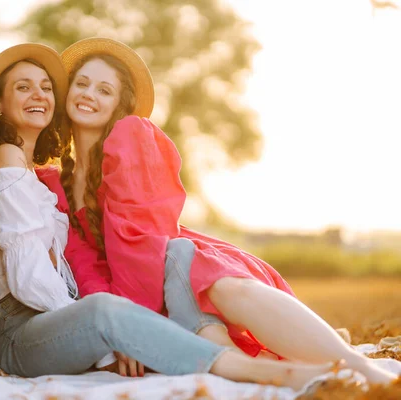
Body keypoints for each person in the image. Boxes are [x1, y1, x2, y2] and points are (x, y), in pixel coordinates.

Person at [0, 43, 336, 389]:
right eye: (23, 87)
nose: (40, 95)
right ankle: (258, 370)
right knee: (105, 311)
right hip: (25, 327)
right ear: (0, 104)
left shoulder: (43, 176)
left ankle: (264, 359)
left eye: (46, 87)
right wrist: (110, 333)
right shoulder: (19, 165)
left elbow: (124, 248)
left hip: (91, 303)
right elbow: (36, 277)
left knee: (175, 267)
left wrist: (119, 325)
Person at [52, 37, 397, 384]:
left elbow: (141, 239)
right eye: (81, 84)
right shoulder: (57, 184)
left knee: (226, 289)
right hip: (138, 298)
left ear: (118, 105)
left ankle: (361, 368)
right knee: (227, 356)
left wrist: (129, 322)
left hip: (167, 260)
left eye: (103, 90)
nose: (88, 94)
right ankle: (316, 363)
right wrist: (117, 325)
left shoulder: (130, 134)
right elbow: (84, 267)